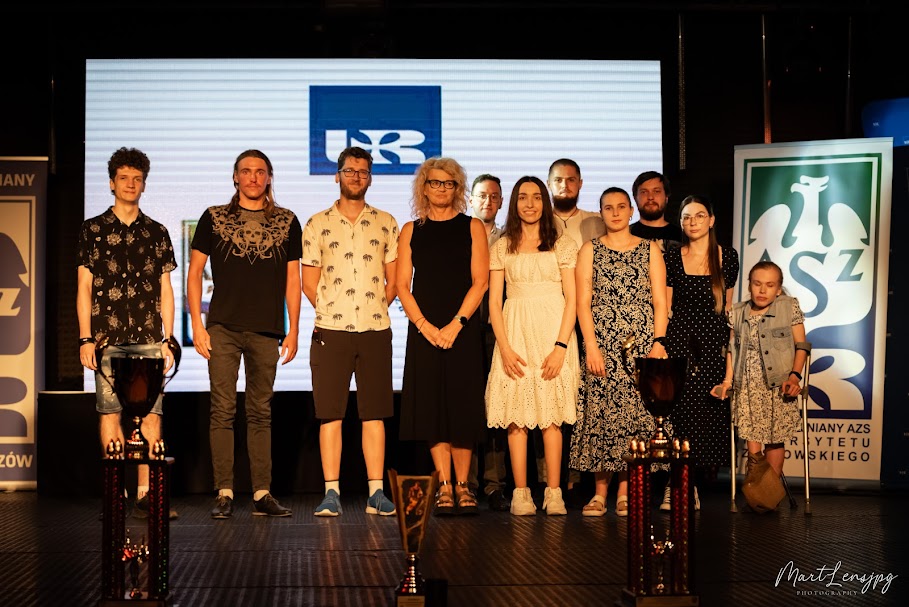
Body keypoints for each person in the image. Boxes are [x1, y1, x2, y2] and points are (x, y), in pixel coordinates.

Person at [188, 149, 301, 519]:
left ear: (269, 177)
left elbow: (293, 279)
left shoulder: (287, 220)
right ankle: (224, 492)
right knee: (222, 410)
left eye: (260, 171)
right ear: (235, 176)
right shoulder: (214, 217)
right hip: (222, 327)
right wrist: (197, 325)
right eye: (246, 171)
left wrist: (294, 329)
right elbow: (194, 273)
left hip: (267, 329)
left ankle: (262, 493)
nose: (253, 177)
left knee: (260, 412)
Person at [77, 147, 177, 519]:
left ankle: (146, 495)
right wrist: (85, 338)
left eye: (137, 179)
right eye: (124, 178)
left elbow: (166, 290)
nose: (130, 184)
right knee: (110, 414)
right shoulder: (92, 230)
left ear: (144, 185)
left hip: (149, 339)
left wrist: (169, 338)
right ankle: (115, 493)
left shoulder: (157, 232)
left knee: (151, 416)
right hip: (106, 340)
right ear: (111, 183)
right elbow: (84, 287)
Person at [302, 146, 399, 518]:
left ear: (370, 178)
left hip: (375, 329)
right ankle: (331, 492)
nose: (356, 176)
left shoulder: (386, 222)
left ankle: (376, 492)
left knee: (374, 413)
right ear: (337, 175)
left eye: (362, 171)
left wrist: (372, 309)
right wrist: (333, 310)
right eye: (349, 170)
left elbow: (394, 281)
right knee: (331, 414)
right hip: (331, 330)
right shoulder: (317, 223)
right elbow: (309, 282)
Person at [396, 157, 489, 516]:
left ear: (457, 188)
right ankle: (445, 486)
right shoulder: (411, 230)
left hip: (461, 329)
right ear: (424, 187)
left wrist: (456, 324)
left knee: (462, 407)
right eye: (434, 182)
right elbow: (402, 286)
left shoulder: (472, 226)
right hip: (425, 330)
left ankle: (463, 486)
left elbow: (480, 281)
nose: (441, 189)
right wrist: (425, 326)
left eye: (448, 183)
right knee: (432, 409)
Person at [570, 187, 670, 517]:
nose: (615, 212)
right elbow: (583, 303)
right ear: (601, 213)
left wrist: (659, 342)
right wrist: (591, 346)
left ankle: (626, 491)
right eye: (608, 207)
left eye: (621, 206)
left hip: (641, 342)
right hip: (602, 342)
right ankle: (600, 493)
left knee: (634, 416)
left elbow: (660, 301)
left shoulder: (650, 249)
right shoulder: (590, 249)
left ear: (631, 211)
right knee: (602, 414)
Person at [486, 176, 580, 516]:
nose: (530, 204)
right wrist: (505, 347)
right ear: (514, 203)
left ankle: (554, 492)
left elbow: (572, 300)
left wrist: (560, 346)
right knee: (516, 417)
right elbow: (494, 302)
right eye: (523, 197)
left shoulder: (562, 244)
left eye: (537, 197)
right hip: (514, 333)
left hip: (553, 333)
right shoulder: (502, 246)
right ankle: (521, 493)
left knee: (552, 418)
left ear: (544, 202)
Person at [661, 195, 739, 512]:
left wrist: (729, 359)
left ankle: (688, 483)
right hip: (680, 340)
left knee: (704, 416)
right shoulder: (672, 256)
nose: (692, 222)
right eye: (686, 217)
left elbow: (728, 308)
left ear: (711, 220)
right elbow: (666, 306)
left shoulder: (727, 256)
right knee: (679, 415)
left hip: (712, 342)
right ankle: (678, 485)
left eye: (699, 215)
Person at [711, 261, 808, 511]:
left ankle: (769, 495)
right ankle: (756, 494)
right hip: (747, 384)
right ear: (749, 285)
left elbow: (802, 346)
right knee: (753, 443)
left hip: (778, 384)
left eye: (770, 285)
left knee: (775, 439)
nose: (762, 290)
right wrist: (727, 381)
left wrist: (795, 377)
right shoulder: (737, 312)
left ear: (778, 289)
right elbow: (731, 350)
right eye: (757, 284)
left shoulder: (789, 307)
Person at [545, 159, 603, 506]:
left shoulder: (596, 222)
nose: (564, 185)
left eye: (570, 179)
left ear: (580, 183)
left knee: (583, 399)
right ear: (549, 183)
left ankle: (581, 474)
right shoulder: (538, 221)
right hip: (551, 319)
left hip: (591, 319)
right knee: (548, 397)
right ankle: (548, 479)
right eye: (558, 180)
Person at [467, 173, 511, 512]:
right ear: (471, 199)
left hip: (500, 331)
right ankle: (465, 483)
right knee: (468, 406)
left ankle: (495, 484)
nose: (488, 201)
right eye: (482, 195)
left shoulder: (509, 239)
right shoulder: (460, 234)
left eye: (494, 196)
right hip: (465, 329)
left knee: (497, 407)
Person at [629, 171, 682, 250]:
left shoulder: (682, 237)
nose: (650, 197)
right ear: (635, 197)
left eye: (656, 191)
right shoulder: (624, 235)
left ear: (666, 197)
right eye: (644, 192)